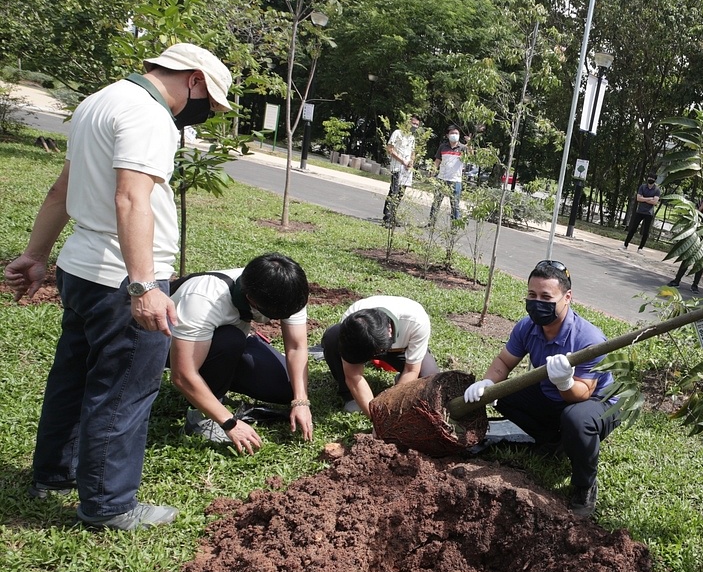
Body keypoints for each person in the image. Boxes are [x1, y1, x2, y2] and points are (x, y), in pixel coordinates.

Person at [4, 43, 232, 531]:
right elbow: (131, 198)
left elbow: (62, 188)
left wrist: (35, 255)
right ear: (193, 79)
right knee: (125, 388)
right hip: (119, 279)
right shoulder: (150, 117)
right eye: (209, 103)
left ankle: (54, 473)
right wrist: (144, 285)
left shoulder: (99, 101)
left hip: (81, 269)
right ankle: (108, 505)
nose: (204, 114)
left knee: (73, 376)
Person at [463, 260, 620, 517]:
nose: (538, 302)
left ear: (567, 297)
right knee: (503, 393)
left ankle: (584, 485)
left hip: (596, 403)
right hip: (554, 394)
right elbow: (504, 362)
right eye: (532, 295)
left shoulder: (588, 339)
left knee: (576, 419)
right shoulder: (528, 327)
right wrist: (488, 384)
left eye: (546, 296)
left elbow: (583, 394)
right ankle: (554, 441)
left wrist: (565, 382)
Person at [169, 253, 312, 453]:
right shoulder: (203, 299)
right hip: (174, 344)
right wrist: (229, 423)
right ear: (250, 300)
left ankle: (213, 385)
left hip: (225, 340)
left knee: (286, 388)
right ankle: (199, 418)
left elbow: (297, 347)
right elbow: (183, 375)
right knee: (230, 339)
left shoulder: (288, 291)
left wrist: (300, 401)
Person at [321, 295, 440, 415]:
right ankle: (350, 396)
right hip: (363, 345)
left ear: (390, 331)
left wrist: (393, 403)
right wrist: (375, 418)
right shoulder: (352, 322)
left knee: (430, 378)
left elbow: (411, 370)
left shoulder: (416, 321)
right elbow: (353, 375)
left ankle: (402, 383)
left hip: (401, 349)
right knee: (333, 337)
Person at [382, 115, 420, 226]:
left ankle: (393, 215)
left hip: (407, 170)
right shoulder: (397, 133)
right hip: (397, 167)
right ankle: (387, 216)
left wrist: (411, 162)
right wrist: (402, 161)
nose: (415, 126)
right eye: (413, 123)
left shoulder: (412, 138)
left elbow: (413, 153)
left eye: (417, 125)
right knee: (394, 191)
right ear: (408, 123)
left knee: (400, 194)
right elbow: (390, 149)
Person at [427, 125, 466, 222]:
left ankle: (454, 226)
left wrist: (470, 143)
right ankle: (431, 223)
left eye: (456, 133)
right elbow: (437, 161)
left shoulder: (463, 148)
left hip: (456, 180)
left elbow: (472, 156)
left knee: (455, 205)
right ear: (447, 135)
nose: (454, 135)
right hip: (442, 179)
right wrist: (432, 172)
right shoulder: (443, 147)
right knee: (436, 202)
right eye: (452, 133)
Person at [622, 173, 661, 251]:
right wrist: (649, 198)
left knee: (645, 232)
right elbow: (638, 199)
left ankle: (640, 248)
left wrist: (644, 198)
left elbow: (655, 202)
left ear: (655, 180)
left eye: (652, 178)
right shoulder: (642, 187)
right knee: (633, 229)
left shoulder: (657, 190)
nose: (650, 179)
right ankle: (625, 245)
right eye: (649, 177)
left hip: (649, 213)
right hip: (640, 211)